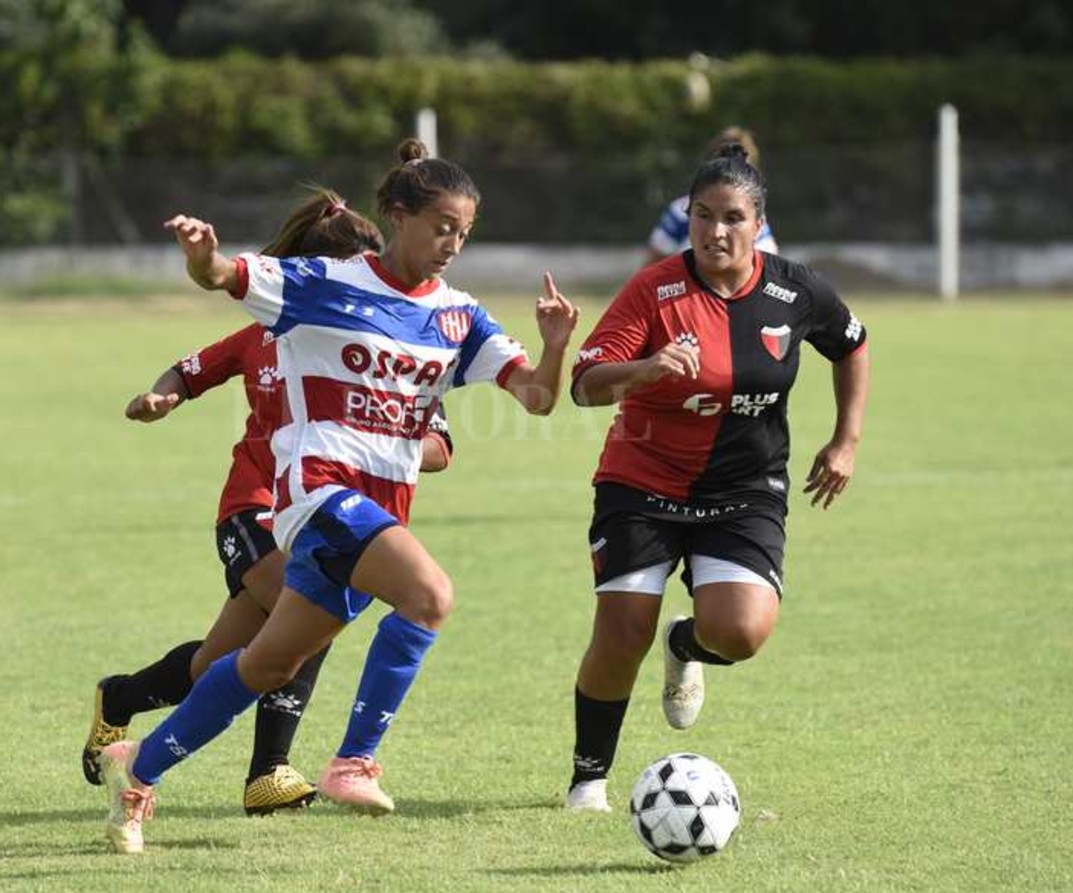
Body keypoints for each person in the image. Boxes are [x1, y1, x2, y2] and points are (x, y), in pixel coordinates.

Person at [95, 138, 580, 852]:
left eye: (464, 233)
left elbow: (537, 399)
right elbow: (222, 276)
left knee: (265, 665)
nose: (452, 244)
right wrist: (201, 255)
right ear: (396, 215)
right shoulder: (320, 282)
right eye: (441, 226)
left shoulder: (460, 317)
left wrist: (554, 345)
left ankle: (137, 771)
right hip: (316, 494)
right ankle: (353, 762)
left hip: (378, 509)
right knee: (430, 596)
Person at [80, 188, 458, 816]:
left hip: (333, 507)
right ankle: (269, 773)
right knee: (307, 602)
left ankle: (120, 699)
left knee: (219, 666)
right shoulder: (266, 331)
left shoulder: (385, 349)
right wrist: (162, 398)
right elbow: (190, 368)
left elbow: (441, 446)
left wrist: (381, 440)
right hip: (253, 506)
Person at [565, 141, 869, 812]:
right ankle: (588, 779)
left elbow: (851, 344)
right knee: (620, 632)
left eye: (731, 217)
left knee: (740, 633)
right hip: (641, 483)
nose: (714, 231)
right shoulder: (653, 290)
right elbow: (583, 386)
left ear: (757, 223)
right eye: (701, 216)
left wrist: (844, 441)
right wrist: (642, 371)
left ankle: (686, 642)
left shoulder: (794, 289)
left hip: (742, 491)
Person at [643, 127, 777, 267]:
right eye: (704, 215)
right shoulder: (680, 211)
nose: (717, 233)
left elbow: (768, 266)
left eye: (733, 219)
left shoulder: (751, 217)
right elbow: (652, 264)